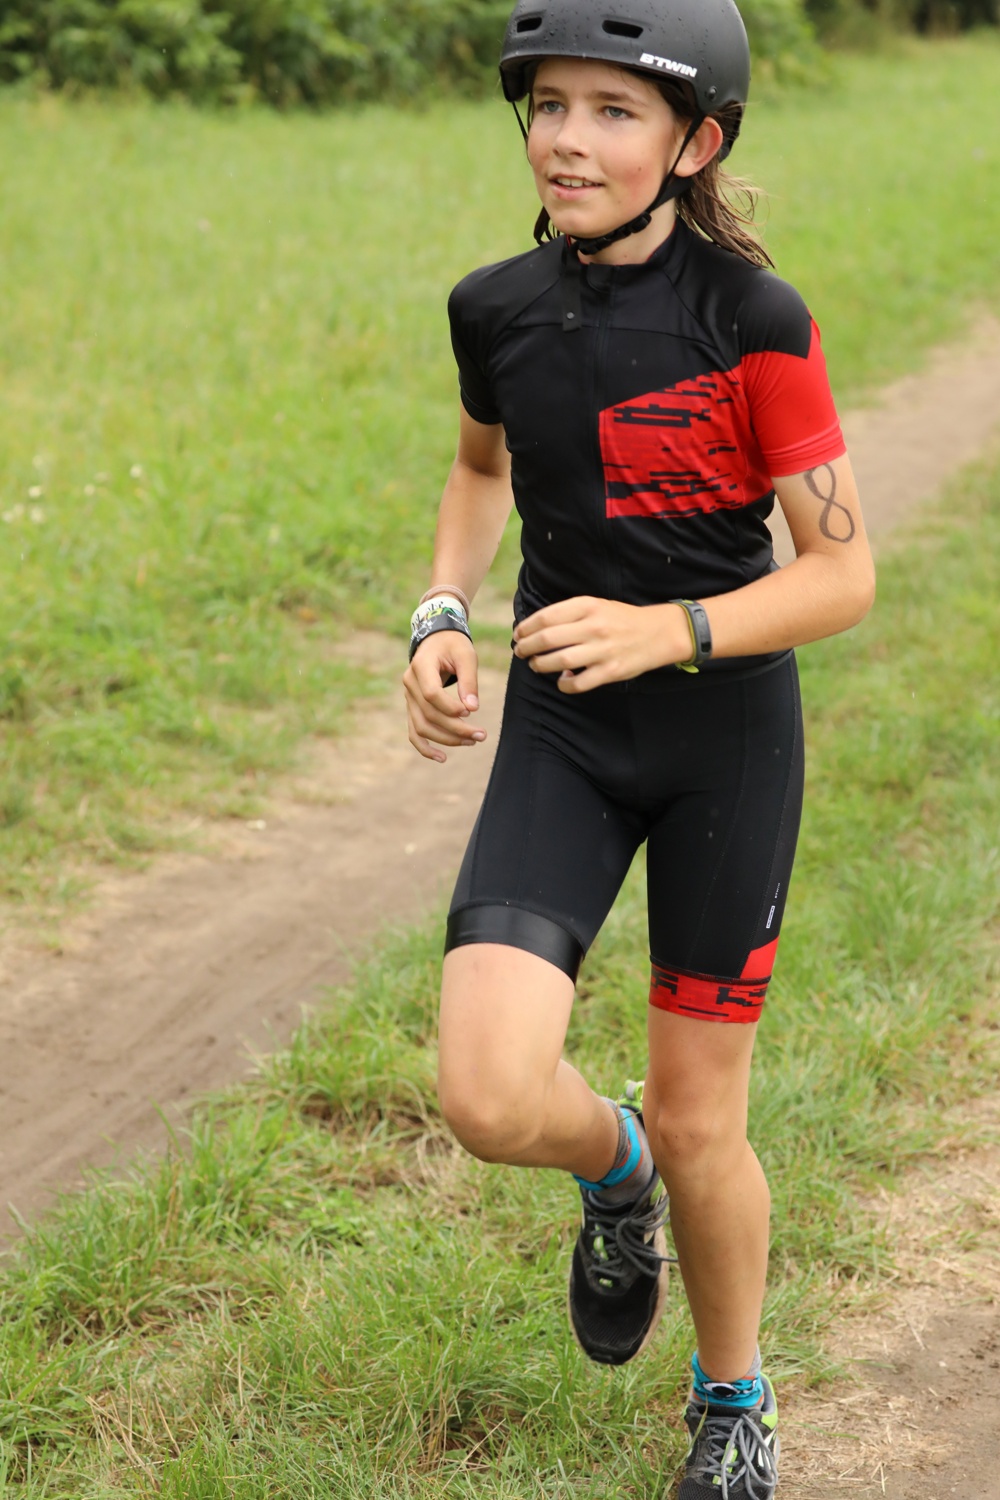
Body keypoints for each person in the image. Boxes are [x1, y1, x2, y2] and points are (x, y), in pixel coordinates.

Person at [402, 0, 875, 1493]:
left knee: (701, 1120)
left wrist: (670, 629)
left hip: (722, 733)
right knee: (488, 1096)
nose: (568, 139)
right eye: (549, 104)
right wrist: (441, 610)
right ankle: (612, 1167)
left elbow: (841, 575)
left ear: (696, 141)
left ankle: (733, 1399)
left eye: (614, 110)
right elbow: (479, 469)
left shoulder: (755, 320)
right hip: (561, 721)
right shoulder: (495, 307)